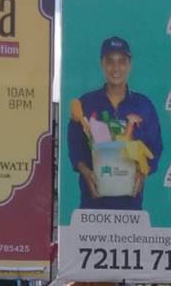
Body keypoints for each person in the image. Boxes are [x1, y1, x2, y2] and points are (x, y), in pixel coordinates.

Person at [65, 37, 163, 210]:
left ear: (130, 65)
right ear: (101, 64)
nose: (116, 68)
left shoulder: (144, 105)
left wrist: (143, 174)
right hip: (93, 203)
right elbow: (75, 146)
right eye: (110, 61)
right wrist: (86, 173)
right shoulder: (86, 104)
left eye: (122, 61)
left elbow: (155, 148)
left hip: (130, 204)